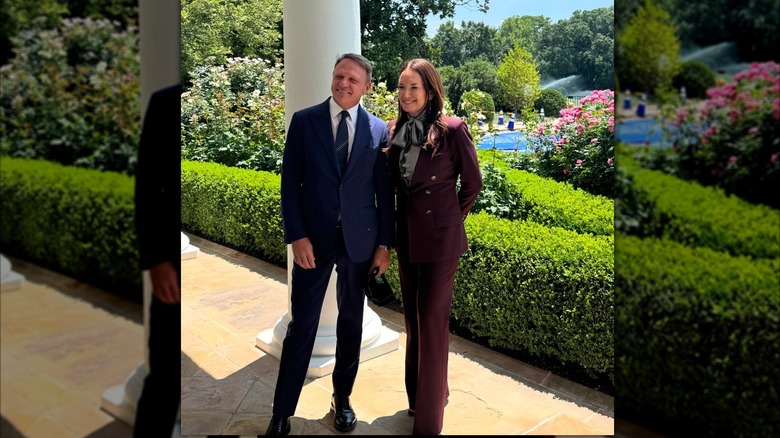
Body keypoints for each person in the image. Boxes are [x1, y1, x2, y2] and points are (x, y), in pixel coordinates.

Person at [265, 53, 394, 436]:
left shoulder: (378, 130)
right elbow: (290, 183)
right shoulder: (304, 121)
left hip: (359, 243)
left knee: (351, 323)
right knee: (302, 324)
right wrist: (296, 235)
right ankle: (281, 413)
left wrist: (384, 244)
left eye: (353, 79)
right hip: (313, 241)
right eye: (339, 76)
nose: (343, 84)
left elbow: (384, 194)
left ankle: (342, 399)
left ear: (366, 86)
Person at [386, 58, 483, 435]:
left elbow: (472, 183)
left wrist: (449, 219)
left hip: (440, 242)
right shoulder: (394, 130)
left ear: (430, 91)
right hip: (407, 238)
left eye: (414, 87)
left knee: (431, 323)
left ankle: (428, 424)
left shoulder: (453, 130)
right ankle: (423, 396)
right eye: (401, 87)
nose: (406, 94)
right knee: (413, 321)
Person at [133, 83, 183, 437]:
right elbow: (147, 185)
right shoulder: (165, 101)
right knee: (164, 372)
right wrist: (156, 260)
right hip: (170, 263)